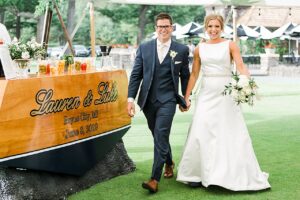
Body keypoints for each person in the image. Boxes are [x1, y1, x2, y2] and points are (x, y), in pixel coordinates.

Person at [176, 14, 271, 191]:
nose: (213, 30)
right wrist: (186, 96)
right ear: (206, 27)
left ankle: (225, 175)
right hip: (206, 94)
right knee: (201, 129)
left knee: (228, 131)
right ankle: (196, 174)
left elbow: (241, 66)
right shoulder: (199, 48)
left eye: (216, 27)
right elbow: (195, 74)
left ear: (222, 28)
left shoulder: (230, 45)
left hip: (226, 94)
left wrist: (247, 84)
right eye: (210, 26)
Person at [127, 13, 190, 193]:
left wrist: (186, 98)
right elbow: (136, 75)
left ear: (172, 28)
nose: (163, 29)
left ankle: (155, 178)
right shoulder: (144, 48)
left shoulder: (181, 49)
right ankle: (169, 162)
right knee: (158, 136)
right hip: (147, 101)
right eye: (160, 27)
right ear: (156, 28)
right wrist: (130, 99)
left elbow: (185, 75)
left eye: (166, 26)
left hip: (168, 100)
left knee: (161, 134)